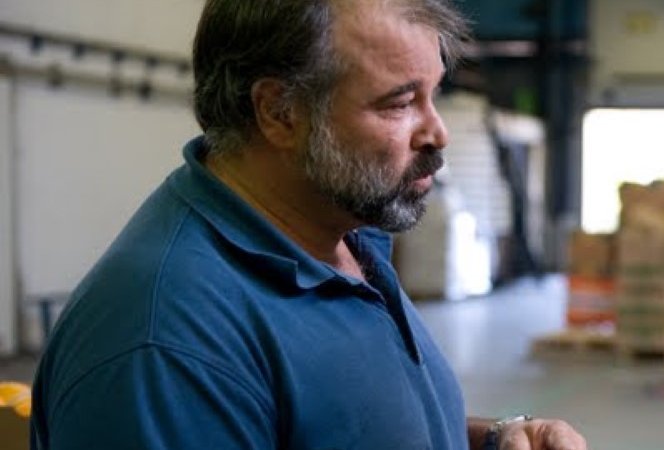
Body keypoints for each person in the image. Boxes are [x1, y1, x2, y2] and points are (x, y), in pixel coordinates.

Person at [30, 1, 587, 449]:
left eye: (433, 94)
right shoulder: (167, 345)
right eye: (399, 104)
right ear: (280, 113)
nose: (436, 132)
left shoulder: (342, 237)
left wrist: (491, 439)